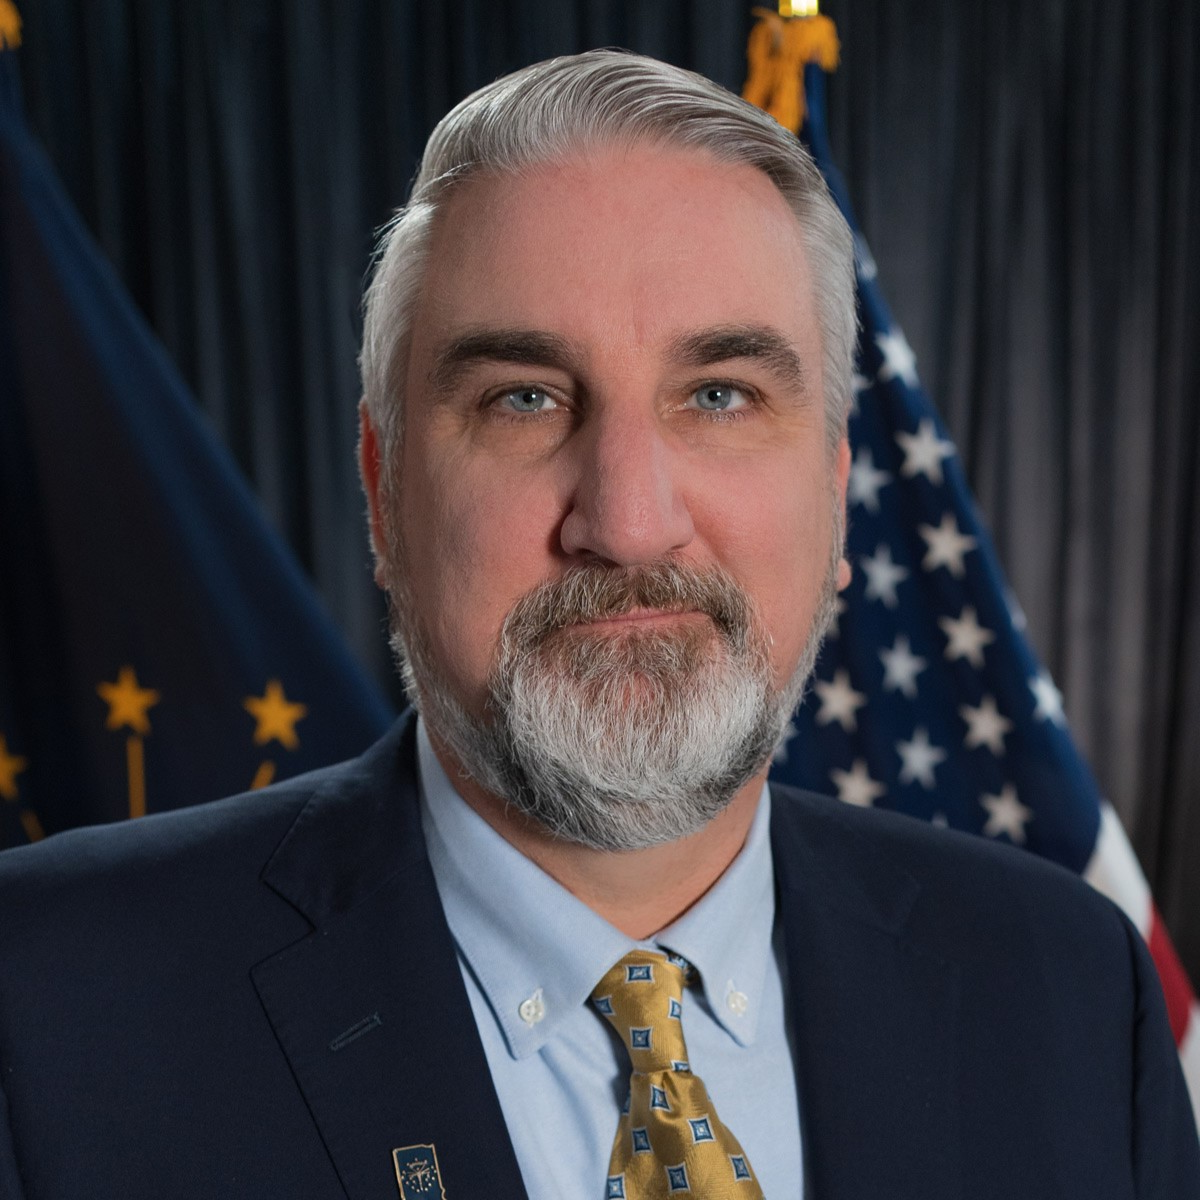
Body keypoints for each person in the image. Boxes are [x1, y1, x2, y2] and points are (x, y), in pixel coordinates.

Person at [0, 49, 1196, 1200]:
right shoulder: (45, 1006)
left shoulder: (1074, 993)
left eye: (720, 397)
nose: (627, 522)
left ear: (837, 498)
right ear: (383, 485)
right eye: (525, 399)